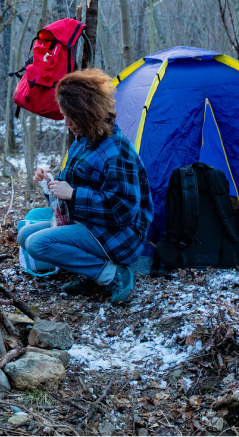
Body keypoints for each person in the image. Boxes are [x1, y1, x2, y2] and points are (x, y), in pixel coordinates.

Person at [19, 68, 152, 305]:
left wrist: (74, 194)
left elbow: (123, 211)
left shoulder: (117, 151)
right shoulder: (83, 142)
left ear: (87, 112)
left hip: (120, 235)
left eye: (71, 116)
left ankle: (113, 274)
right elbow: (67, 194)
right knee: (24, 235)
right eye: (64, 114)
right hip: (91, 224)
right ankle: (91, 272)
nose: (66, 122)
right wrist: (50, 181)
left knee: (37, 243)